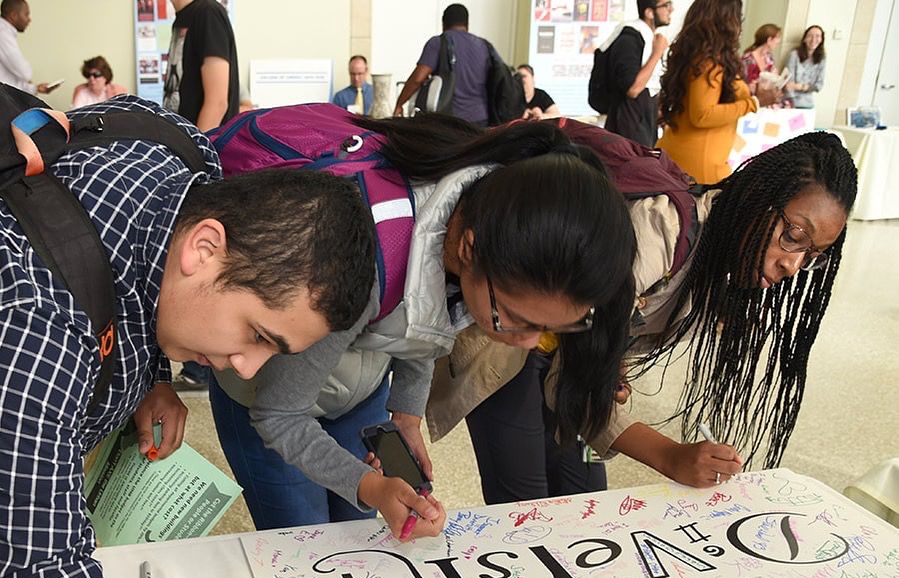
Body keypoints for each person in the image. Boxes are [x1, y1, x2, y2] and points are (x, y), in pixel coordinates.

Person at [0, 93, 384, 578]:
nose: (247, 367)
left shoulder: (179, 149)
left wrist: (149, 372)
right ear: (205, 246)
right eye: (256, 335)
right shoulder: (35, 323)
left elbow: (122, 266)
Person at [209, 110, 636, 538]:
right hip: (264, 399)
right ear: (469, 248)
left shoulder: (473, 207)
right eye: (515, 319)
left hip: (357, 388)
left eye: (547, 330)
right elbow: (279, 414)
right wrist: (371, 487)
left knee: (356, 539)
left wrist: (407, 414)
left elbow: (428, 314)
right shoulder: (357, 262)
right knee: (302, 541)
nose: (525, 342)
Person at [447, 129, 857, 503]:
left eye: (811, 255)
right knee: (527, 509)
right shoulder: (660, 233)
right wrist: (670, 455)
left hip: (572, 372)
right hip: (508, 342)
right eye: (793, 237)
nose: (793, 263)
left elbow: (603, 345)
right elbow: (570, 379)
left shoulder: (723, 271)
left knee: (587, 499)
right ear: (754, 197)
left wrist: (613, 360)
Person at [164, 0, 240, 391]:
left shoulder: (207, 12)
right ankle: (196, 363)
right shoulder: (183, 20)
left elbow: (217, 99)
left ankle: (202, 367)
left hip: (200, 163)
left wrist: (193, 165)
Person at [656, 0, 758, 184]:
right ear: (727, 21)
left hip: (682, 158)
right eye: (737, 17)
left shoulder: (698, 57)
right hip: (698, 168)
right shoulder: (708, 62)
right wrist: (750, 104)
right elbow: (702, 115)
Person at [393, 4, 491, 124]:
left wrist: (400, 103)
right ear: (467, 24)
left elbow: (418, 79)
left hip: (452, 121)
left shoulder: (439, 42)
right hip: (481, 119)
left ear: (443, 23)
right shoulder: (483, 45)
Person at [599, 0, 672, 147]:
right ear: (649, 13)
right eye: (666, 5)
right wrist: (657, 53)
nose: (671, 10)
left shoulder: (648, 38)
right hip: (629, 127)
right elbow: (633, 89)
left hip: (644, 122)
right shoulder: (629, 39)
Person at [0, 0, 59, 95]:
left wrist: (35, 88)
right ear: (13, 15)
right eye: (26, 14)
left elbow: (9, 79)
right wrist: (28, 78)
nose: (29, 19)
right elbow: (24, 72)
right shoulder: (2, 33)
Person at [741, 23, 784, 106]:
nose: (779, 41)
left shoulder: (769, 58)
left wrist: (775, 77)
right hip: (750, 101)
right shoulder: (748, 59)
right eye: (777, 38)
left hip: (765, 99)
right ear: (769, 40)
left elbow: (770, 82)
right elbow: (742, 85)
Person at [783, 25, 825, 109]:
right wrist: (790, 103)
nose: (813, 39)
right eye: (810, 36)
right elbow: (789, 84)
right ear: (804, 39)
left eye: (817, 36)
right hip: (791, 103)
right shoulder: (794, 55)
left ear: (821, 40)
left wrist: (801, 87)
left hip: (808, 103)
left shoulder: (822, 58)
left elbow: (819, 85)